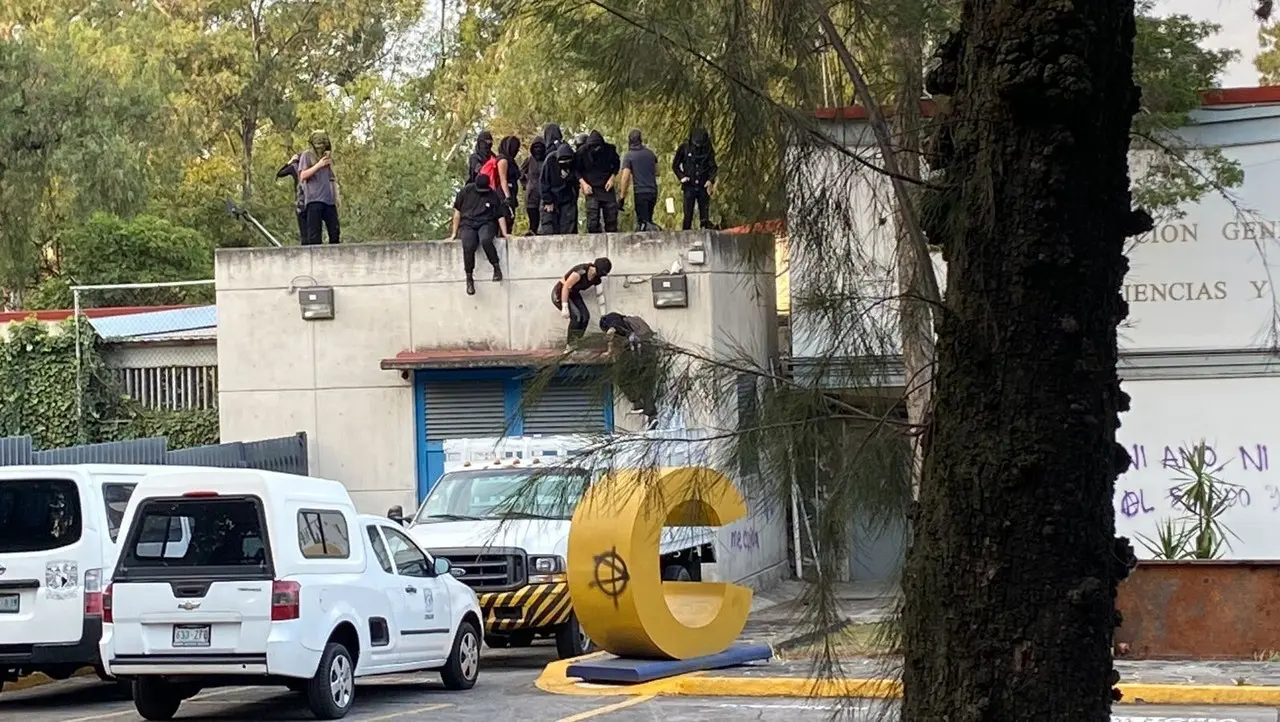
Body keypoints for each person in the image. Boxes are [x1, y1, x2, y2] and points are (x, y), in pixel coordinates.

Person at [450, 174, 509, 296]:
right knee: (468, 245)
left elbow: (500, 215)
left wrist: (505, 233)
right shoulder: (465, 192)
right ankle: (469, 278)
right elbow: (457, 213)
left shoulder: (492, 195)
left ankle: (496, 267)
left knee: (486, 240)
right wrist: (454, 233)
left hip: (486, 222)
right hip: (468, 223)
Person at [599, 312, 659, 422]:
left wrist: (609, 351)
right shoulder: (634, 321)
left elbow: (611, 332)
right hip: (649, 352)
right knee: (647, 386)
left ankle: (636, 402)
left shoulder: (612, 322)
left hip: (635, 353)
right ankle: (651, 415)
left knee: (621, 377)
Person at [552, 257, 612, 347]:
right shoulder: (580, 272)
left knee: (585, 317)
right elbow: (566, 286)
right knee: (576, 317)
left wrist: (603, 315)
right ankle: (569, 345)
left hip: (573, 294)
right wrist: (564, 306)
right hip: (560, 293)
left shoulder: (597, 279)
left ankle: (577, 341)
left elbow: (600, 295)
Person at [673, 127, 719, 230]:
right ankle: (685, 235)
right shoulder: (684, 148)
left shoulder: (708, 149)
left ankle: (705, 230)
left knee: (704, 215)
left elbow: (713, 167)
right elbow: (675, 166)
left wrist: (710, 180)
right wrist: (682, 176)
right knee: (688, 215)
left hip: (703, 186)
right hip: (689, 186)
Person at [299, 131, 340, 245]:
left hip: (329, 200)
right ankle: (316, 259)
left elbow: (332, 178)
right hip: (314, 199)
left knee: (335, 231)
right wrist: (319, 165)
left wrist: (336, 197)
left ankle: (334, 257)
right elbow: (303, 176)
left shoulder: (327, 156)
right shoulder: (306, 155)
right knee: (315, 235)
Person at [576, 130, 621, 233]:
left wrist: (612, 177)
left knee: (611, 219)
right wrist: (583, 183)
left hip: (607, 187)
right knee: (592, 221)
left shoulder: (610, 150)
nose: (596, 149)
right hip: (591, 189)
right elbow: (576, 170)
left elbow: (616, 164)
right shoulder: (582, 152)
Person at [618, 129, 660, 232]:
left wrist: (622, 197)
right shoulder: (650, 154)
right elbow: (657, 172)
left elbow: (625, 178)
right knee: (648, 219)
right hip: (653, 191)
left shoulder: (629, 156)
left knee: (643, 223)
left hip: (640, 192)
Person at [539, 143, 580, 235]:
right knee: (549, 227)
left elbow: (577, 181)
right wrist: (547, 200)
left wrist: (568, 177)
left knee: (567, 227)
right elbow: (543, 182)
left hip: (567, 198)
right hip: (551, 196)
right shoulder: (550, 160)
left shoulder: (575, 162)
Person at [275, 153, 306, 243]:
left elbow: (280, 173)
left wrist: (289, 162)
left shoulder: (294, 167)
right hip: (312, 198)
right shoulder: (309, 166)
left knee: (303, 228)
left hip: (300, 199)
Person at [521, 137, 548, 235]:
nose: (538, 149)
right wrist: (525, 185)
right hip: (531, 192)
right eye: (536, 147)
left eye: (540, 147)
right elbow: (520, 174)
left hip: (544, 191)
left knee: (543, 215)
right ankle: (532, 231)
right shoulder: (529, 159)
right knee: (533, 216)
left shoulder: (547, 158)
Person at [496, 135, 522, 217]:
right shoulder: (503, 160)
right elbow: (503, 179)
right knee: (505, 218)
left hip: (512, 193)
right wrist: (508, 197)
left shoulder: (512, 161)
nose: (516, 150)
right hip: (503, 196)